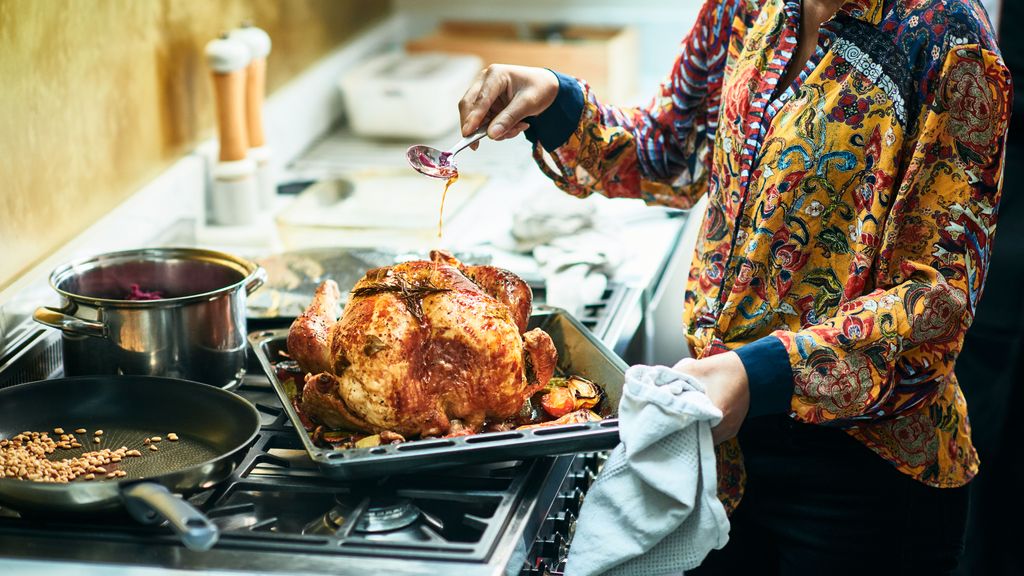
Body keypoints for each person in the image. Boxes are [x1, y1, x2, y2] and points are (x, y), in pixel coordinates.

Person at [456, 0, 1011, 574]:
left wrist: (761, 374)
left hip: (862, 481)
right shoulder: (746, 6)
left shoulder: (950, 43)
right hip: (722, 453)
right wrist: (554, 100)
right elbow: (675, 150)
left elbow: (938, 304)